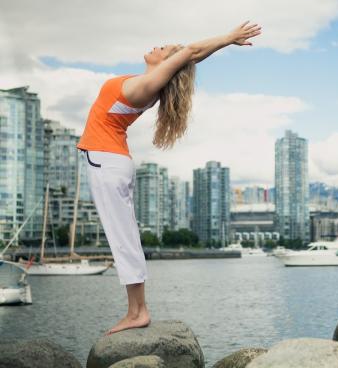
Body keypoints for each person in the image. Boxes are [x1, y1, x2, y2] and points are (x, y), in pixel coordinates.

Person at [76, 21, 261, 335]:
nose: (159, 46)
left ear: (165, 64)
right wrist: (201, 50)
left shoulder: (143, 87)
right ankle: (137, 310)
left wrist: (228, 38)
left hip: (106, 161)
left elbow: (189, 52)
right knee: (124, 236)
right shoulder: (146, 83)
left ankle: (138, 312)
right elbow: (189, 56)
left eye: (165, 49)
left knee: (122, 238)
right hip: (109, 160)